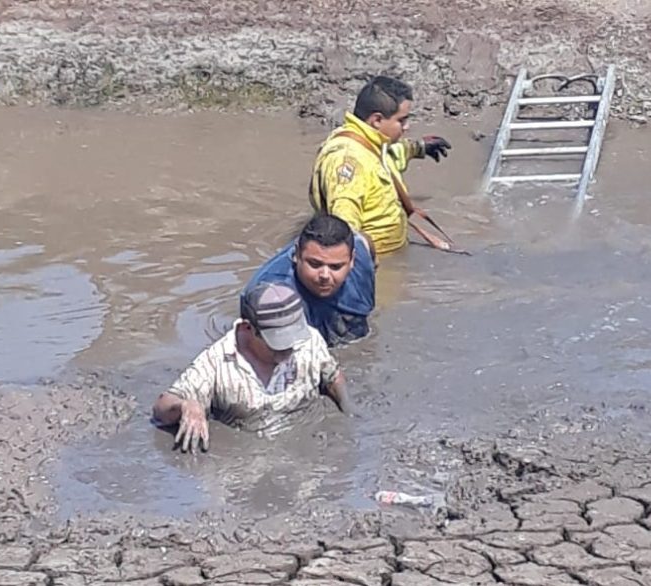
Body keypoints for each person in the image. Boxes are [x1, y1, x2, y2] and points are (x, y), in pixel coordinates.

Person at [152, 282, 353, 450]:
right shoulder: (216, 363)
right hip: (249, 455)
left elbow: (332, 376)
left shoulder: (309, 340)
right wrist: (186, 405)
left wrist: (350, 414)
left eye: (292, 339)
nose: (289, 348)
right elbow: (161, 409)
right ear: (247, 328)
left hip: (307, 441)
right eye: (279, 342)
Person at [309, 75, 453, 256]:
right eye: (401, 120)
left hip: (394, 252)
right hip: (377, 263)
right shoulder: (348, 161)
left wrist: (418, 148)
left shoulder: (371, 144)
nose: (406, 127)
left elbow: (387, 159)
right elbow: (343, 231)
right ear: (377, 120)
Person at [243, 214, 374, 347]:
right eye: (315, 264)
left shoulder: (360, 257)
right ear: (297, 255)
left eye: (335, 267)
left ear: (352, 260)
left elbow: (363, 240)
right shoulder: (272, 296)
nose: (325, 275)